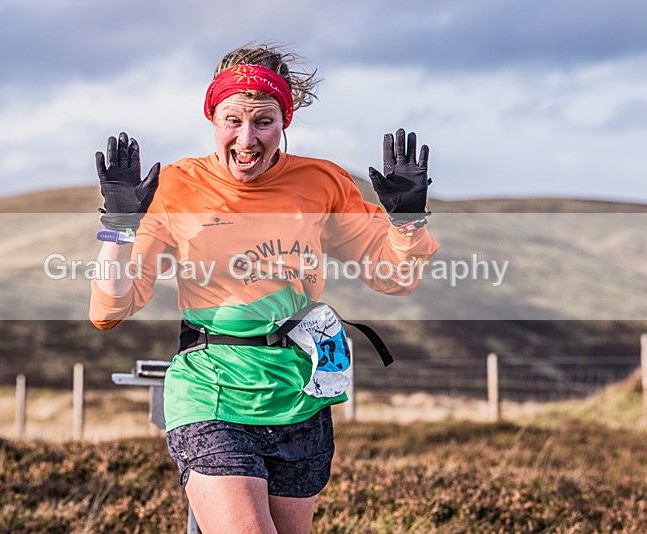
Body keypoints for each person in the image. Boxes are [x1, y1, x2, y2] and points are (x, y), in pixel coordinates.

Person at [89, 43, 440, 534]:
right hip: (211, 389)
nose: (246, 139)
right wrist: (119, 227)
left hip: (299, 396)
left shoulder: (322, 183)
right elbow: (109, 309)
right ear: (212, 118)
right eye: (232, 121)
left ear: (284, 122)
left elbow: (394, 277)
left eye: (263, 122)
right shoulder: (177, 187)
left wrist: (407, 222)